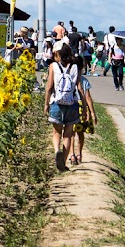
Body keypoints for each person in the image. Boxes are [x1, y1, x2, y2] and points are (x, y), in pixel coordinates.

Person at [45, 43, 82, 171]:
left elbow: (49, 87)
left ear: (59, 54)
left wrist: (46, 104)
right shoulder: (75, 67)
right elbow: (80, 88)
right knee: (68, 134)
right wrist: (84, 107)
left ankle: (56, 151)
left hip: (56, 103)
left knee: (56, 133)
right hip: (72, 104)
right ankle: (64, 163)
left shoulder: (53, 66)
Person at [72, 67, 97, 164]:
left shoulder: (69, 78)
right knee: (80, 133)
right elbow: (88, 97)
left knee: (71, 133)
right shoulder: (84, 80)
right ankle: (79, 154)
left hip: (71, 106)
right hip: (81, 107)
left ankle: (72, 154)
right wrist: (92, 112)